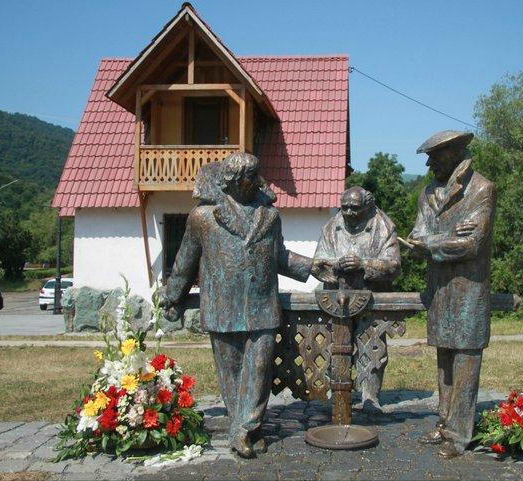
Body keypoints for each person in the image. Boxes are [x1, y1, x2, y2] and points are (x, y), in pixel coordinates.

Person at [161, 153, 312, 458]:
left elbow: (279, 256)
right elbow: (185, 261)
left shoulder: (270, 216)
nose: (259, 181)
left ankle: (246, 427)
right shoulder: (203, 217)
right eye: (252, 176)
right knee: (230, 377)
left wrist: (313, 266)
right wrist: (173, 295)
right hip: (222, 308)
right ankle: (242, 430)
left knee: (259, 371)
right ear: (233, 182)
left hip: (261, 306)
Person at [406, 131, 496, 458]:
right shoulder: (428, 193)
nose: (429, 164)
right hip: (440, 289)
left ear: (455, 154)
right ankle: (444, 422)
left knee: (466, 360)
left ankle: (459, 435)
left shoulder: (482, 189)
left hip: (469, 291)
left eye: (435, 157)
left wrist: (431, 243)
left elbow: (470, 245)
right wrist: (435, 241)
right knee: (444, 358)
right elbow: (418, 235)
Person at [312, 186, 401, 410]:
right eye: (345, 208)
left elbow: (394, 265)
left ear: (367, 207)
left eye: (355, 208)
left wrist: (364, 265)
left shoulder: (383, 226)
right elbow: (318, 263)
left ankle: (370, 396)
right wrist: (336, 265)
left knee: (373, 348)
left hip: (372, 298)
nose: (349, 212)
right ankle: (339, 392)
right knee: (336, 346)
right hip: (337, 298)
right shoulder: (332, 227)